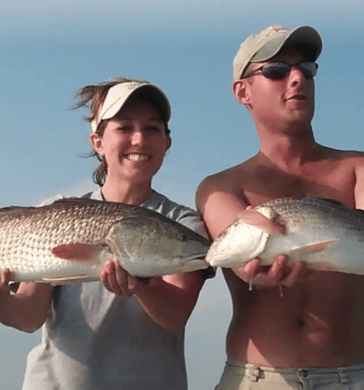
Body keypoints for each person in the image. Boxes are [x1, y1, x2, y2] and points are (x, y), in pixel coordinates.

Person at [196, 26, 364, 390]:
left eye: (307, 68)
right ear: (243, 91)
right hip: (255, 380)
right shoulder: (220, 185)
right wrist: (257, 274)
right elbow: (237, 256)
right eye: (277, 70)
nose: (298, 77)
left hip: (353, 378)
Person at [0, 78, 212, 390]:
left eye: (153, 128)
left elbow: (176, 315)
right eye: (124, 128)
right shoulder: (54, 214)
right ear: (97, 142)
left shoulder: (184, 224)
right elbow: (29, 316)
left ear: (167, 142)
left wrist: (143, 286)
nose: (139, 139)